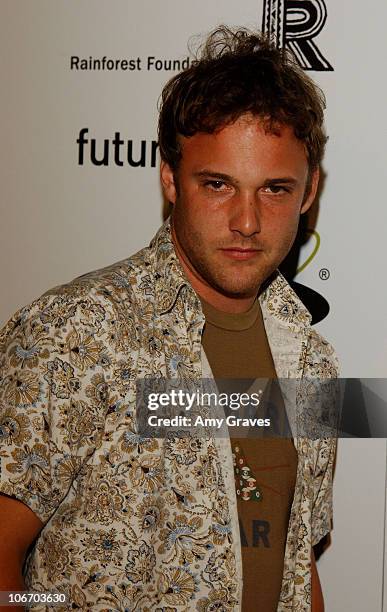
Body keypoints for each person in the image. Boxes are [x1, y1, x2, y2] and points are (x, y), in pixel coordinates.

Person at [0, 26, 338, 611]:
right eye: (218, 185)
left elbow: (296, 562)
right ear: (169, 180)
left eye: (275, 190)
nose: (248, 222)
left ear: (309, 193)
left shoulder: (312, 358)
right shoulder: (76, 333)